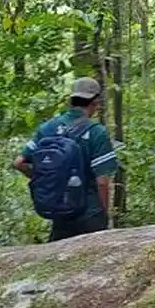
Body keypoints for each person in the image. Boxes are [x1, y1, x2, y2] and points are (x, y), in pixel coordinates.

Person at [14, 77, 118, 241]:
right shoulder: (97, 132)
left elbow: (19, 163)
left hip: (60, 213)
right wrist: (103, 214)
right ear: (95, 102)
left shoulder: (48, 127)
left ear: (71, 100)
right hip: (89, 214)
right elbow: (102, 182)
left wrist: (45, 178)